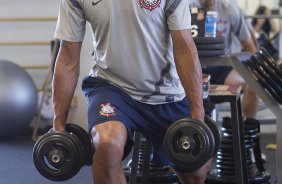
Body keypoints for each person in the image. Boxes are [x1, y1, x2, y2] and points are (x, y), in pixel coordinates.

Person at [52, 0, 210, 183]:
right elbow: (67, 57)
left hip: (165, 93)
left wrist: (197, 113)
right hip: (112, 86)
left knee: (195, 175)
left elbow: (184, 48)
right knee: (107, 143)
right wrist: (58, 123)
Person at [189, 0, 259, 120]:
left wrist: (257, 70)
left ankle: (245, 127)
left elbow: (250, 48)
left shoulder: (229, 10)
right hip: (193, 70)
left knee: (254, 82)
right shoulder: (185, 8)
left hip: (223, 70)